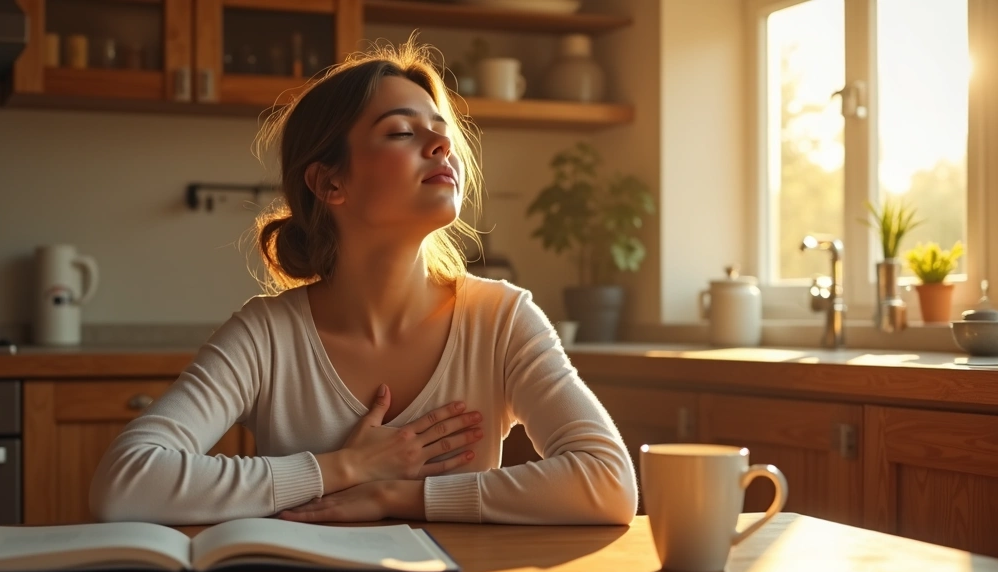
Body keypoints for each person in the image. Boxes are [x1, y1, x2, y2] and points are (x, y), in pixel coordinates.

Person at [89, 38, 637, 526]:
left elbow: (609, 483)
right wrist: (348, 466)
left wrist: (398, 497)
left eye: (441, 132)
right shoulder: (266, 336)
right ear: (330, 182)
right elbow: (126, 484)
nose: (441, 145)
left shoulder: (501, 320)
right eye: (401, 131)